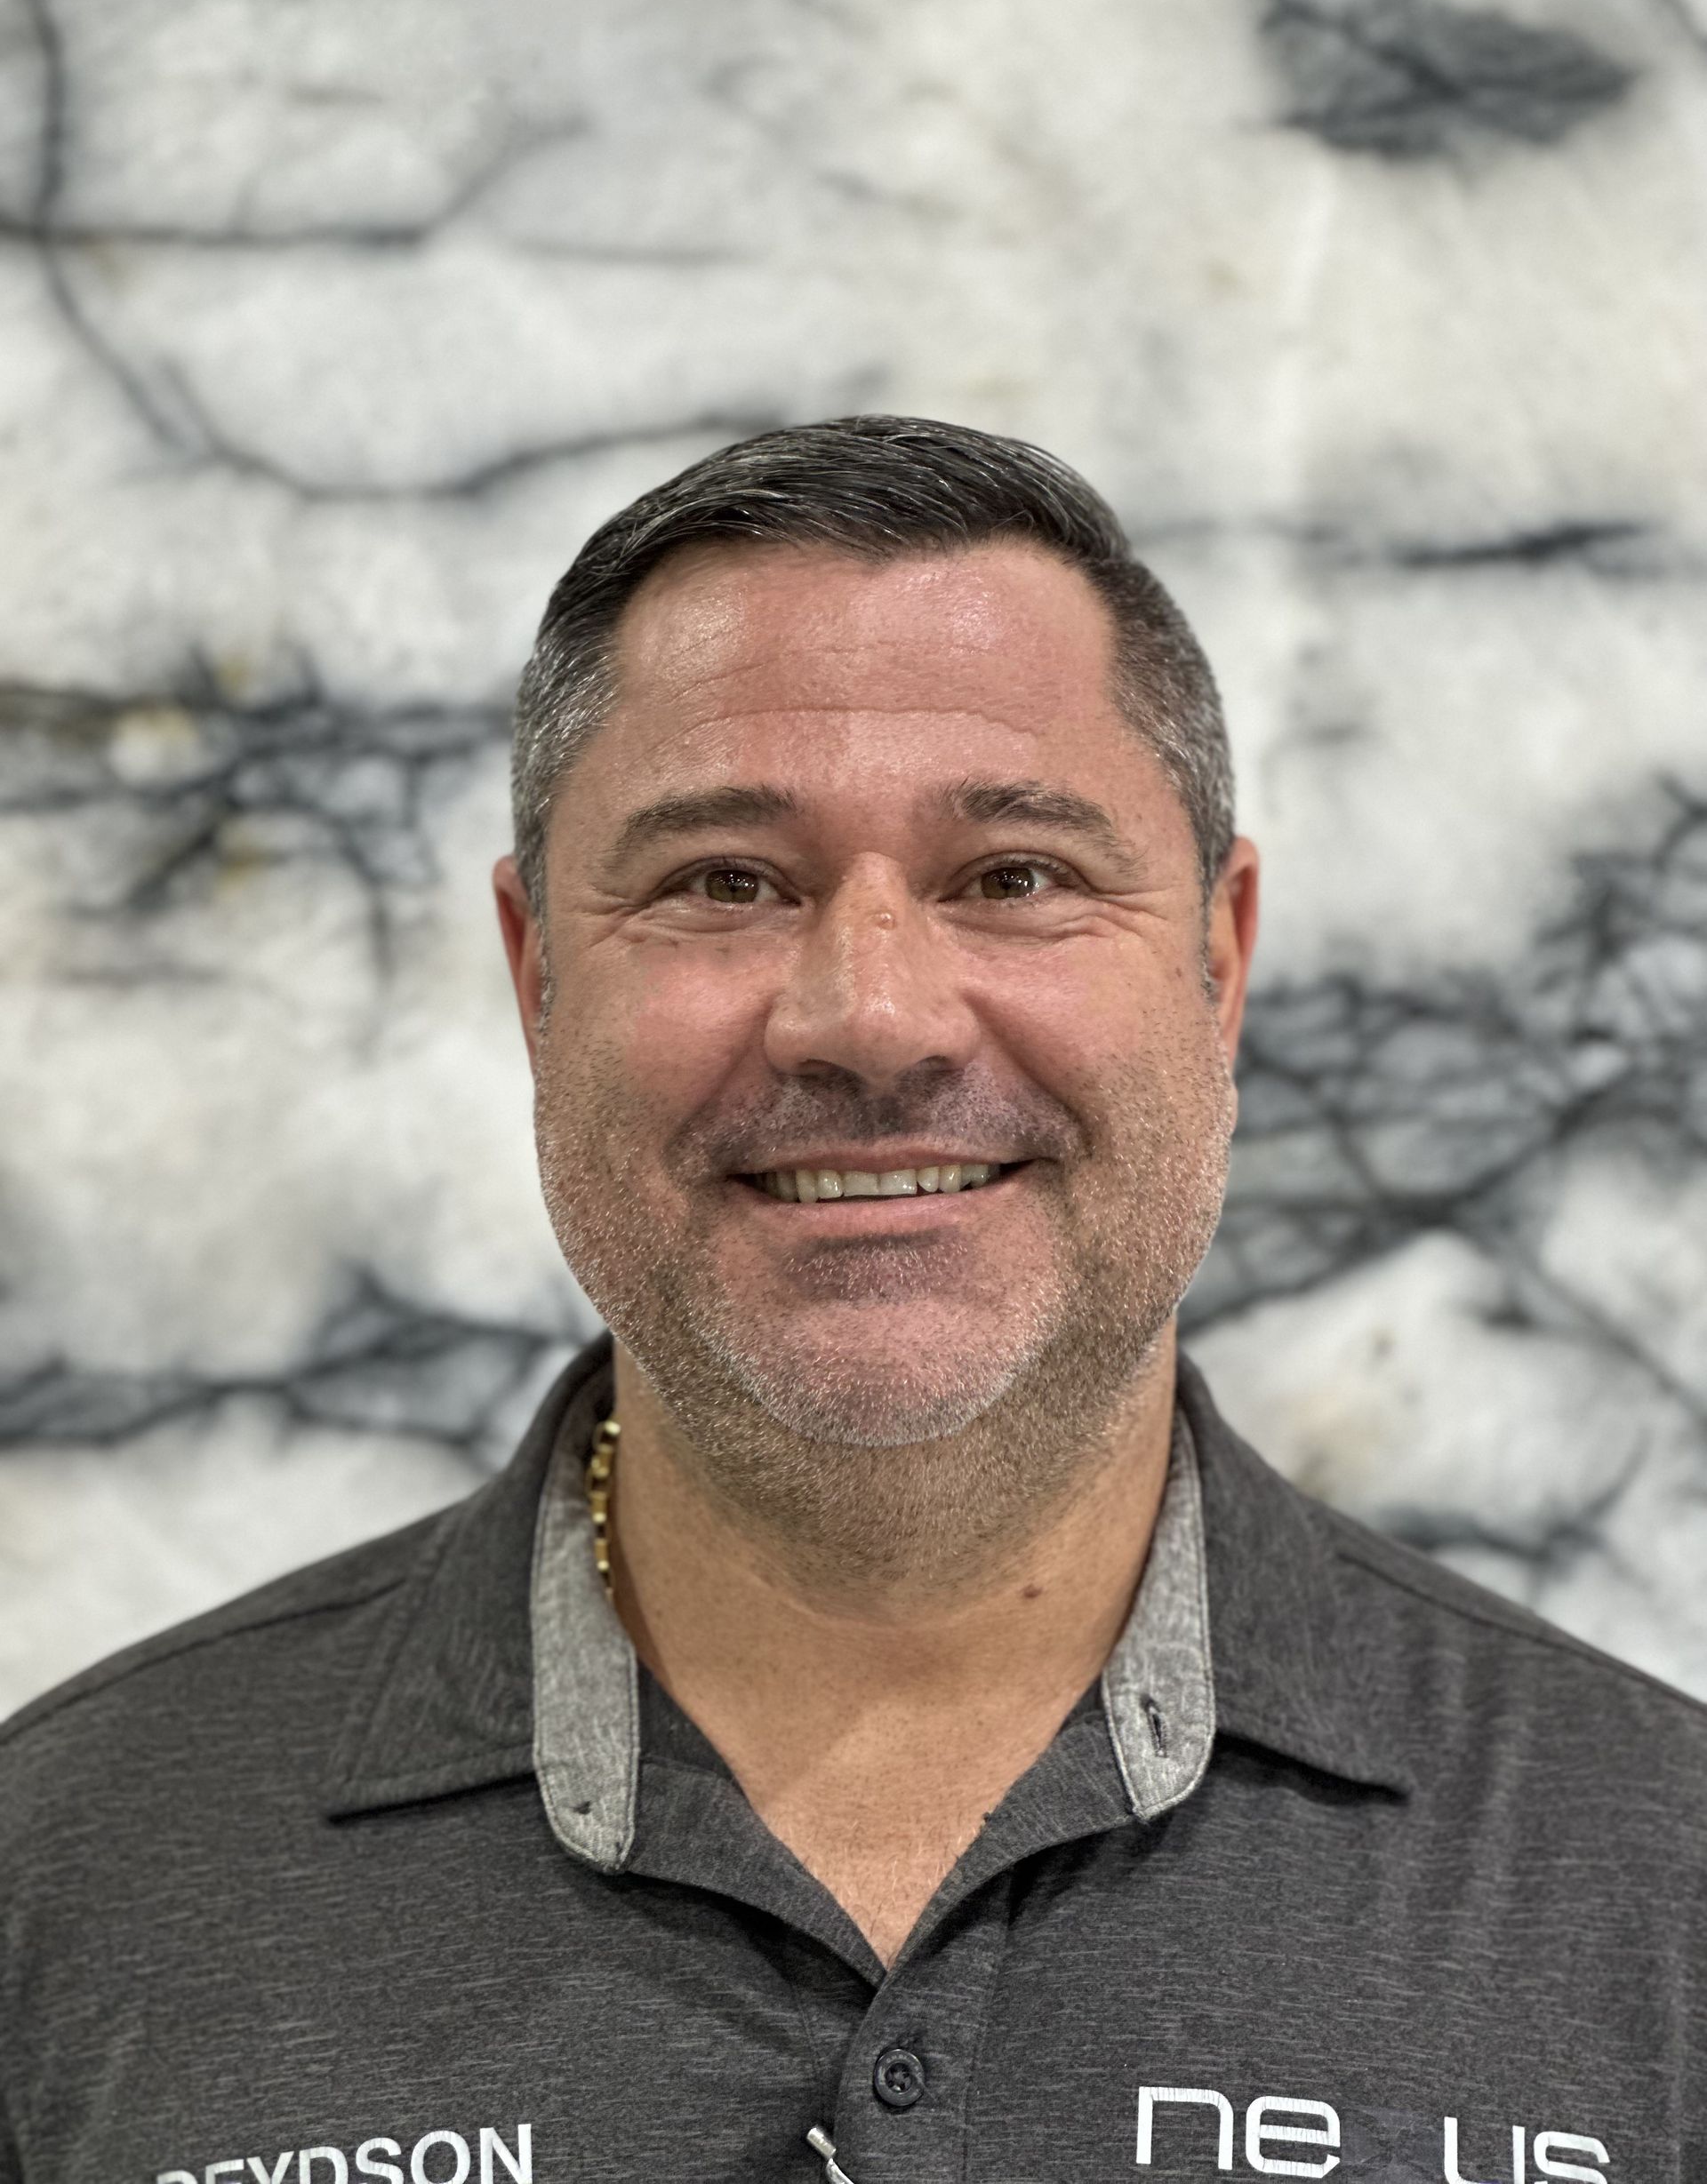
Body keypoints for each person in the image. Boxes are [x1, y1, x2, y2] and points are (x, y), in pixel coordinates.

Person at [1, 418, 1700, 2184]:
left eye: (1015, 876)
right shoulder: (66, 1882)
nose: (873, 1014)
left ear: (1219, 961)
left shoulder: (1659, 1886)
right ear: (537, 977)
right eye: (726, 880)